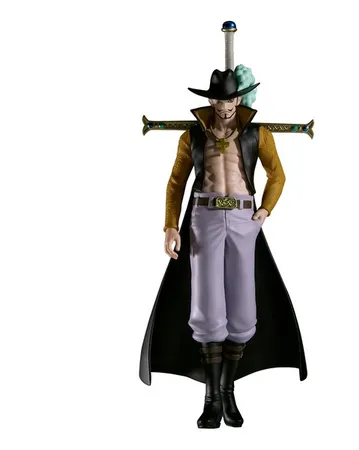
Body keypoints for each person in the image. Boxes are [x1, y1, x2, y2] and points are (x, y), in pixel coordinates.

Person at [139, 68, 307, 429]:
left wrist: (265, 210)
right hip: (205, 217)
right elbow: (176, 182)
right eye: (218, 99)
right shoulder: (193, 135)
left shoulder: (258, 135)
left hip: (245, 218)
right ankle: (212, 399)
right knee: (207, 306)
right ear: (210, 100)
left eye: (230, 98)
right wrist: (171, 224)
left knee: (244, 309)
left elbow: (277, 175)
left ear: (239, 98)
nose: (225, 106)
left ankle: (228, 391)